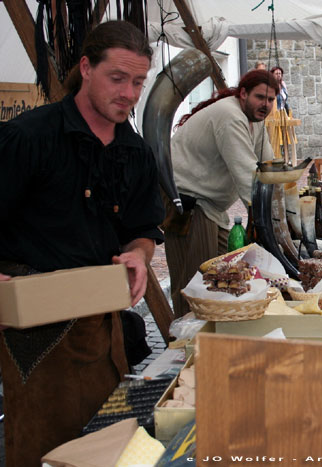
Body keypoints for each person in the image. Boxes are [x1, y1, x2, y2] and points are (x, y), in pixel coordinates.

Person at [0, 21, 164, 465]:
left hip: (103, 330)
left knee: (105, 446)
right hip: (35, 335)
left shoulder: (135, 152)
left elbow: (146, 228)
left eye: (138, 82)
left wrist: (138, 253)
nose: (129, 93)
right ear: (86, 68)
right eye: (118, 78)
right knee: (43, 451)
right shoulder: (29, 138)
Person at [164, 70, 279, 317]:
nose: (265, 105)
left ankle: (211, 334)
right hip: (187, 204)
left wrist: (285, 204)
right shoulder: (230, 116)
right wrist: (271, 225)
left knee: (222, 276)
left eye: (270, 100)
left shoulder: (254, 121)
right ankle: (188, 342)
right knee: (196, 283)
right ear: (243, 94)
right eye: (260, 97)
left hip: (210, 207)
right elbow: (248, 177)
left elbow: (269, 169)